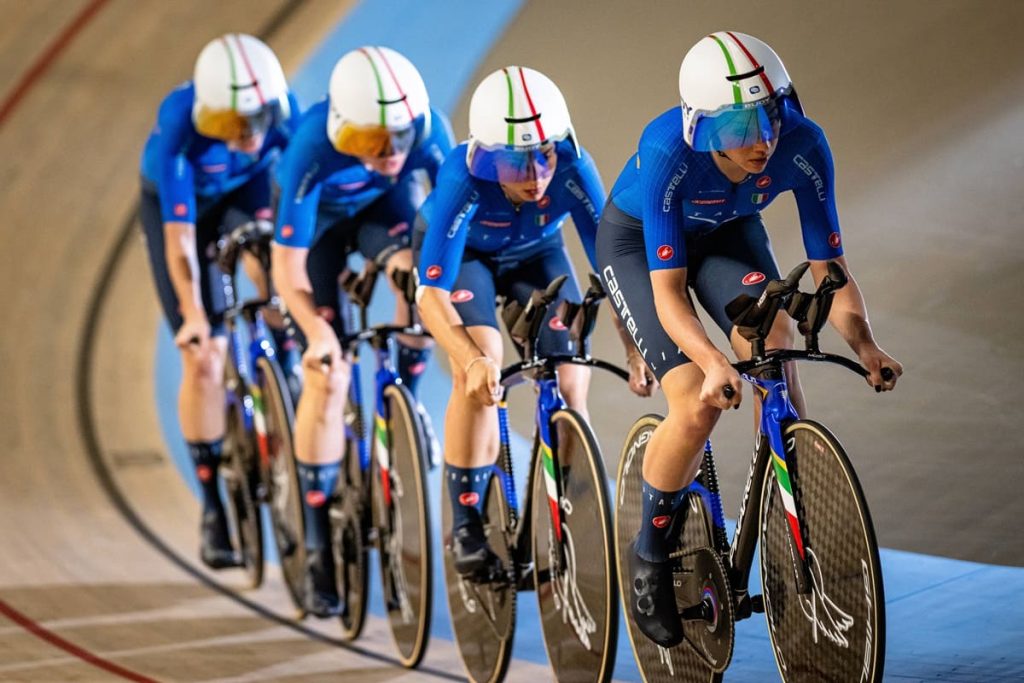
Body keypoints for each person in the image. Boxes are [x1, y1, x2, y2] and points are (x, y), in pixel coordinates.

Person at [596, 31, 904, 647]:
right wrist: (710, 361)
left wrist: (865, 345)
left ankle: (790, 506)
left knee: (775, 338)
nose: (760, 140)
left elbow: (830, 273)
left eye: (768, 118)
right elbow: (668, 292)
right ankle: (649, 552)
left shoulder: (804, 142)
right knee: (695, 398)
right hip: (641, 248)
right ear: (699, 129)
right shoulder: (666, 151)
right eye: (737, 130)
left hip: (729, 232)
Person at [416, 66, 641, 579]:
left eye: (544, 154)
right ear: (486, 157)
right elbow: (430, 297)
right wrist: (469, 359)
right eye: (516, 162)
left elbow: (614, 264)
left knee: (569, 374)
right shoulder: (461, 179)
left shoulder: (573, 166)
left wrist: (633, 349)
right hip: (465, 260)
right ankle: (468, 520)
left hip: (536, 257)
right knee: (483, 366)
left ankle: (562, 497)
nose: (536, 174)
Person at [271, 46, 453, 616]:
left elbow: (447, 230)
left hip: (383, 217)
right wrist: (314, 333)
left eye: (401, 138)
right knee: (328, 376)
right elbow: (288, 268)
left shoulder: (429, 130)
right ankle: (318, 542)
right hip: (317, 238)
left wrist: (429, 303)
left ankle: (405, 403)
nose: (391, 153)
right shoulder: (308, 148)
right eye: (374, 143)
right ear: (342, 129)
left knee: (414, 278)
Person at [139, 33, 297, 570]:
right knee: (204, 359)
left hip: (245, 195)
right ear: (209, 115)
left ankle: (284, 358)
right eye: (233, 125)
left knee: (276, 271)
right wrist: (193, 318)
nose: (249, 134)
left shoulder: (286, 117)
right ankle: (213, 508)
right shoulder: (181, 128)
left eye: (258, 119)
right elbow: (181, 242)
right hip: (182, 209)